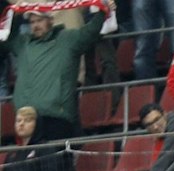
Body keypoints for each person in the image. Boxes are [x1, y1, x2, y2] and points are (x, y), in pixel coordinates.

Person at [7, 6, 104, 140]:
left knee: (55, 154)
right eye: (32, 22)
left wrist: (102, 11)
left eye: (39, 20)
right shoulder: (23, 43)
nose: (35, 25)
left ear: (51, 20)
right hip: (27, 118)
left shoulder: (68, 39)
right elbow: (5, 36)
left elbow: (90, 32)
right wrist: (14, 16)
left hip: (56, 119)